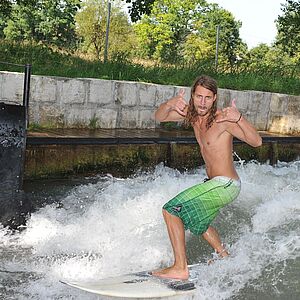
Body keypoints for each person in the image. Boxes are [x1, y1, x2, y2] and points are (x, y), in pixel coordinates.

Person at [152, 75, 262, 280]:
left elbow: (257, 142)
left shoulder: (223, 120)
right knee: (198, 224)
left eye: (207, 98)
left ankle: (179, 267)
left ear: (215, 98)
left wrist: (238, 118)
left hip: (226, 184)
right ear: (193, 96)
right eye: (199, 96)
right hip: (215, 184)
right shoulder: (193, 117)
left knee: (171, 210)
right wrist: (169, 104)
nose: (202, 102)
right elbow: (159, 117)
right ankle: (224, 256)